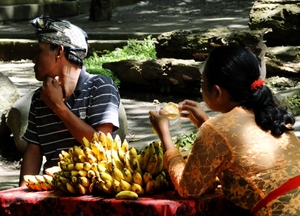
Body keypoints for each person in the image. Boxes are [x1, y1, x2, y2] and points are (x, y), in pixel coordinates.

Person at [149, 45, 300, 215]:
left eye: (202, 83)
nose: (201, 88)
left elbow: (188, 188)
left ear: (217, 91)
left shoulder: (215, 128)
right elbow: (235, 148)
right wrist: (205, 123)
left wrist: (164, 135)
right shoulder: (272, 114)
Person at [19, 16, 120, 187]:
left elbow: (102, 144)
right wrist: (20, 198)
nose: (34, 59)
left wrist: (58, 107)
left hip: (93, 187)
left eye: (39, 51)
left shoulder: (100, 86)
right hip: (51, 187)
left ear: (59, 51)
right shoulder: (39, 98)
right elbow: (33, 152)